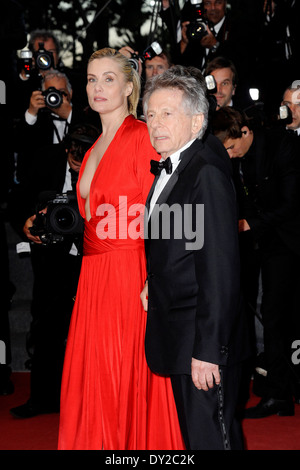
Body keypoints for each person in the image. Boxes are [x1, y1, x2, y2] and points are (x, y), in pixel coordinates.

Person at [58, 48, 184, 450]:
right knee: (95, 375)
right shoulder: (93, 146)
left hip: (130, 273)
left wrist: (155, 274)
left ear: (130, 87)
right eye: (92, 79)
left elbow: (166, 207)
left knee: (123, 372)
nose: (97, 87)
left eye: (108, 79)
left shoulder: (139, 136)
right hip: (94, 276)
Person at [140, 65, 249, 450]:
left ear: (197, 119)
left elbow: (220, 270)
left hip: (202, 343)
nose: (155, 123)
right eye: (150, 113)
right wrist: (153, 282)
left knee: (212, 440)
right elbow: (181, 246)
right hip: (181, 334)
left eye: (167, 113)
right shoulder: (172, 168)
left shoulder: (205, 173)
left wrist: (208, 351)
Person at [211, 106, 300, 418]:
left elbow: (292, 204)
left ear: (245, 132)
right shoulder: (239, 156)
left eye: (232, 148)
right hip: (262, 243)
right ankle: (276, 391)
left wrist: (251, 222)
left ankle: (280, 393)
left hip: (289, 240)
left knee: (276, 316)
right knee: (264, 314)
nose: (231, 156)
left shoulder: (282, 144)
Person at [8, 123, 98, 419]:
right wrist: (25, 223)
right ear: (66, 144)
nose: (77, 154)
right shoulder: (46, 158)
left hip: (92, 256)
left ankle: (90, 401)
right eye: (73, 148)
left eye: (84, 150)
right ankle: (42, 397)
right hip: (50, 256)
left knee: (90, 330)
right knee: (45, 325)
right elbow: (17, 200)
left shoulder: (104, 162)